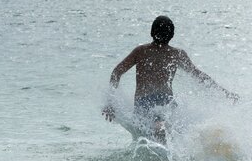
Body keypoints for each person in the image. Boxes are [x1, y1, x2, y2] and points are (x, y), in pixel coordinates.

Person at [102, 16, 238, 143]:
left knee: (150, 134)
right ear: (172, 35)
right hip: (166, 101)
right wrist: (224, 93)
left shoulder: (141, 51)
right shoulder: (176, 54)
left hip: (143, 102)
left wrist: (110, 102)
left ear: (151, 32)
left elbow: (117, 72)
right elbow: (199, 76)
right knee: (166, 131)